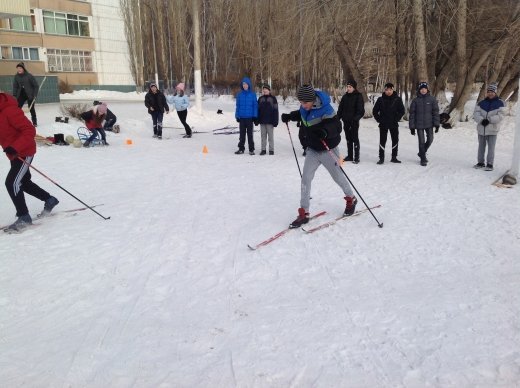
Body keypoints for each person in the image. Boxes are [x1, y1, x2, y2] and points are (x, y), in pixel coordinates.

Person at [281, 85, 357, 228]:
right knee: (306, 178)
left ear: (313, 100)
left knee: (338, 176)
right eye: (301, 103)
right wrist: (290, 116)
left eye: (305, 103)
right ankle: (304, 211)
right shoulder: (305, 107)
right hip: (313, 150)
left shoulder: (326, 109)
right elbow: (301, 114)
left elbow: (337, 126)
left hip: (329, 150)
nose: (303, 105)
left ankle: (351, 199)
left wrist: (325, 131)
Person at [0, 92, 59, 232]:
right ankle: (49, 200)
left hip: (23, 151)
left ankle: (24, 217)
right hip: (13, 153)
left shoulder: (10, 110)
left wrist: (15, 147)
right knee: (24, 183)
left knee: (12, 182)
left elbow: (29, 130)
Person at [472, 83, 505, 171]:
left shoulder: (500, 103)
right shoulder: (481, 102)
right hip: (481, 129)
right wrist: (482, 120)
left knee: (491, 147)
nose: (490, 93)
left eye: (492, 92)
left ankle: (490, 164)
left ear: (495, 92)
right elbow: (476, 113)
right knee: (481, 146)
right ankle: (480, 162)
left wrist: (489, 120)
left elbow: (501, 115)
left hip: (492, 129)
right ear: (487, 92)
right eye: (489, 91)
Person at [372, 82, 405, 164]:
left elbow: (402, 111)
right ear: (385, 90)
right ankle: (381, 158)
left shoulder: (397, 99)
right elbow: (375, 111)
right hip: (383, 124)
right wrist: (379, 119)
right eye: (387, 90)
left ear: (393, 90)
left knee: (395, 140)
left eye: (390, 90)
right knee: (382, 140)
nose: (389, 91)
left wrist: (396, 119)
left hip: (393, 124)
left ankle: (394, 157)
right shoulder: (380, 99)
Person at [409, 81, 440, 166]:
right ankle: (423, 158)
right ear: (419, 90)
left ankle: (421, 152)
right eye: (421, 89)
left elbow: (435, 112)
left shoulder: (432, 99)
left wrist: (437, 124)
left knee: (430, 139)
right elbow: (412, 114)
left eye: (425, 89)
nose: (423, 90)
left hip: (429, 124)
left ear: (427, 90)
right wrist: (412, 127)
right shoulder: (415, 101)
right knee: (421, 141)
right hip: (419, 125)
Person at [337, 79, 364, 163]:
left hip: (354, 122)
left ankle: (356, 157)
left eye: (350, 87)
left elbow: (361, 111)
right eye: (347, 87)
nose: (348, 88)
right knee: (348, 138)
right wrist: (337, 118)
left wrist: (355, 119)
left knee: (355, 138)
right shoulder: (345, 96)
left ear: (354, 88)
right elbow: (340, 109)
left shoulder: (358, 96)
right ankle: (350, 156)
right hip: (346, 121)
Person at [235, 77, 258, 155]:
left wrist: (255, 116)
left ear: (249, 85)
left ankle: (251, 150)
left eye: (246, 84)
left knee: (250, 134)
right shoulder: (239, 95)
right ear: (242, 85)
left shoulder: (253, 94)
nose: (245, 86)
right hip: (242, 118)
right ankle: (241, 149)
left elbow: (255, 106)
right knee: (242, 135)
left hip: (249, 118)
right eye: (243, 84)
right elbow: (237, 106)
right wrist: (237, 116)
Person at [12, 62, 39, 127]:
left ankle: (34, 122)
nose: (19, 69)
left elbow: (36, 86)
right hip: (21, 94)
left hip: (30, 94)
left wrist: (35, 94)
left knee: (31, 108)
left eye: (20, 68)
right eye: (18, 68)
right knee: (17, 108)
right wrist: (14, 94)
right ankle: (17, 121)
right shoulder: (16, 76)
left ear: (23, 68)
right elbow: (15, 86)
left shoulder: (29, 76)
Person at [256, 84, 278, 155]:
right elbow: (257, 110)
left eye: (266, 89)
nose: (265, 90)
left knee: (270, 137)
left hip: (270, 121)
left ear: (269, 90)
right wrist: (256, 119)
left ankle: (271, 150)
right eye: (264, 89)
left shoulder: (273, 99)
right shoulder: (260, 99)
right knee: (263, 136)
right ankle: (263, 149)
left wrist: (275, 121)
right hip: (262, 121)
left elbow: (275, 110)